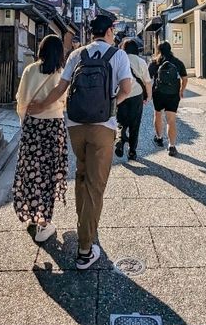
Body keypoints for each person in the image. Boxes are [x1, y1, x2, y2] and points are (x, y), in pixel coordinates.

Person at [27, 15, 133, 269]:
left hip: (75, 125)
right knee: (96, 185)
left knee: (83, 176)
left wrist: (40, 105)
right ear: (109, 31)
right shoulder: (118, 55)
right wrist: (109, 107)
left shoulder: (77, 55)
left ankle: (83, 225)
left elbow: (61, 88)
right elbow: (127, 89)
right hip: (102, 127)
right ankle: (85, 249)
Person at [13, 34, 68, 244]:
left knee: (31, 172)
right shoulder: (61, 74)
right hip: (54, 127)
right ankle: (44, 223)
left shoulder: (30, 70)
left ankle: (32, 215)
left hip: (33, 127)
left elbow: (22, 101)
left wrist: (24, 122)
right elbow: (63, 101)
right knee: (49, 174)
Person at [149, 40, 188, 157]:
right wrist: (181, 91)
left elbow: (147, 78)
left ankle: (159, 138)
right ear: (170, 49)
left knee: (158, 114)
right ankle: (172, 146)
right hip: (173, 94)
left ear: (158, 50)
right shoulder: (177, 62)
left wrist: (148, 92)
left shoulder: (154, 62)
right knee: (171, 120)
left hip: (158, 93)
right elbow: (185, 78)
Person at [115, 37, 152, 161]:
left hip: (121, 94)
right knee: (134, 124)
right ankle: (132, 151)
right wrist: (149, 96)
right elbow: (147, 81)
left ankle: (120, 140)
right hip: (137, 95)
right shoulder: (140, 61)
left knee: (120, 121)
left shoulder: (119, 60)